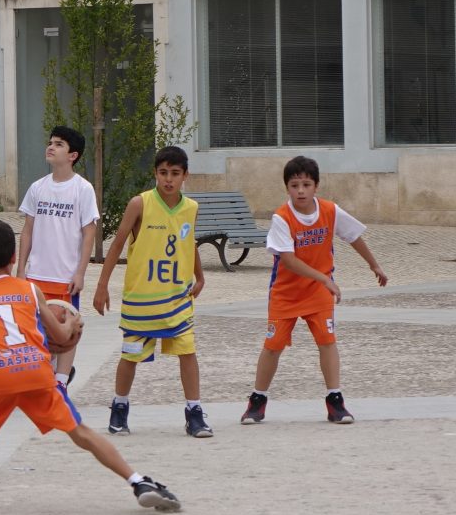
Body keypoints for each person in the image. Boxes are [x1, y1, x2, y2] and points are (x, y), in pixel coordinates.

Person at [0, 219, 181, 515]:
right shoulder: (31, 291)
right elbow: (62, 337)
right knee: (81, 432)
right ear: (14, 258)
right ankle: (139, 482)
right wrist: (71, 322)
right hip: (36, 371)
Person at [242, 156, 389, 427]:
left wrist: (374, 265)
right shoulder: (281, 218)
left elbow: (353, 236)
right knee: (273, 347)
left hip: (318, 293)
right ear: (287, 187)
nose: (300, 190)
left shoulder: (330, 211)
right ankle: (257, 400)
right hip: (285, 293)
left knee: (327, 341)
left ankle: (335, 401)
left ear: (316, 186)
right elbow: (288, 260)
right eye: (295, 185)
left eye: (306, 184)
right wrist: (325, 278)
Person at [92, 146, 210, 439]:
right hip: (142, 298)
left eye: (175, 173)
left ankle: (194, 412)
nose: (168, 179)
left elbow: (189, 241)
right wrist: (102, 284)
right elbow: (118, 244)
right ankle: (119, 407)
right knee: (130, 356)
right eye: (163, 173)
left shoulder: (191, 208)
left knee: (188, 352)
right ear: (155, 173)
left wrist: (200, 274)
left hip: (177, 297)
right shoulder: (140, 204)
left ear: (185, 175)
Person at [15, 126, 100, 386]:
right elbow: (27, 231)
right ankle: (43, 377)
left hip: (64, 275)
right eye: (50, 142)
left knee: (67, 326)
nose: (51, 147)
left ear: (72, 155)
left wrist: (80, 272)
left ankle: (61, 381)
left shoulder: (82, 189)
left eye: (59, 144)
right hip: (37, 274)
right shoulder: (37, 188)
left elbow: (89, 233)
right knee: (36, 330)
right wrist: (21, 269)